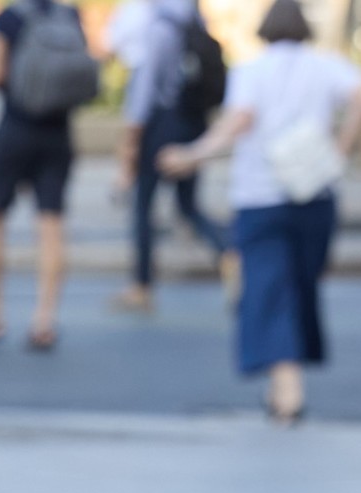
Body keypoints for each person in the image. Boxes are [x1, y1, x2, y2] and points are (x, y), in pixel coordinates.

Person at [158, 0, 361, 424]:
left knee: (268, 291)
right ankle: (283, 390)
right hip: (315, 193)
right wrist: (342, 146)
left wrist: (193, 154)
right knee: (299, 287)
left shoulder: (252, 71)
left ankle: (288, 392)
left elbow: (239, 121)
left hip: (261, 197)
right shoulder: (324, 65)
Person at [0, 0, 88, 350]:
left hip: (17, 127)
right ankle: (44, 320)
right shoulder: (70, 16)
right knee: (52, 225)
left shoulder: (11, 18)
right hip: (58, 132)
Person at [112, 0, 233, 313]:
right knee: (188, 206)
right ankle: (230, 249)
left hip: (162, 125)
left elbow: (144, 89)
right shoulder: (194, 20)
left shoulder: (159, 28)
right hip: (194, 123)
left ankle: (141, 286)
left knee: (143, 205)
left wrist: (131, 139)